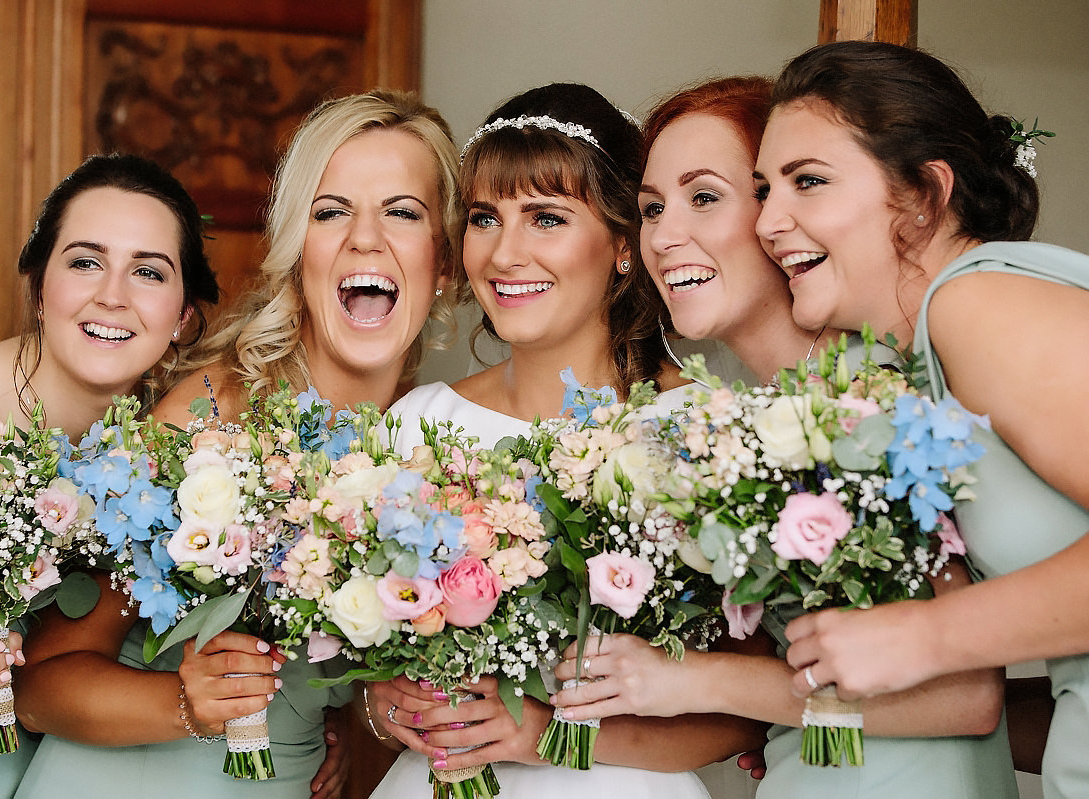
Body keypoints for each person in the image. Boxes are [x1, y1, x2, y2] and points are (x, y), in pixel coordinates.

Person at [550, 76, 1018, 799]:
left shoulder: (865, 389)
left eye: (704, 197)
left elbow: (964, 697)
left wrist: (695, 678)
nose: (666, 235)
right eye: (651, 209)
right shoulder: (756, 406)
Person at [11, 90, 463, 799]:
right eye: (330, 210)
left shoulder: (433, 450)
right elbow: (39, 683)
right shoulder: (207, 416)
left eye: (402, 212)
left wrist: (354, 721)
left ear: (447, 262)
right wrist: (183, 705)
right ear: (297, 250)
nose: (365, 239)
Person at [365, 82, 768, 799]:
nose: (505, 253)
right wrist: (382, 703)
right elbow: (359, 673)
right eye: (486, 218)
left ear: (622, 245)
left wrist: (546, 734)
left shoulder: (704, 426)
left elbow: (746, 712)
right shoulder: (413, 422)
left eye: (546, 218)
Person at [745, 41, 1089, 799]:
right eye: (765, 188)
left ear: (927, 193)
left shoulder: (977, 304)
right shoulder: (932, 359)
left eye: (809, 181)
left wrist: (920, 636)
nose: (768, 221)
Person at [0, 152, 221, 799]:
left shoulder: (168, 464)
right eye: (85, 260)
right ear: (41, 286)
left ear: (183, 317)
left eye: (148, 271)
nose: (113, 295)